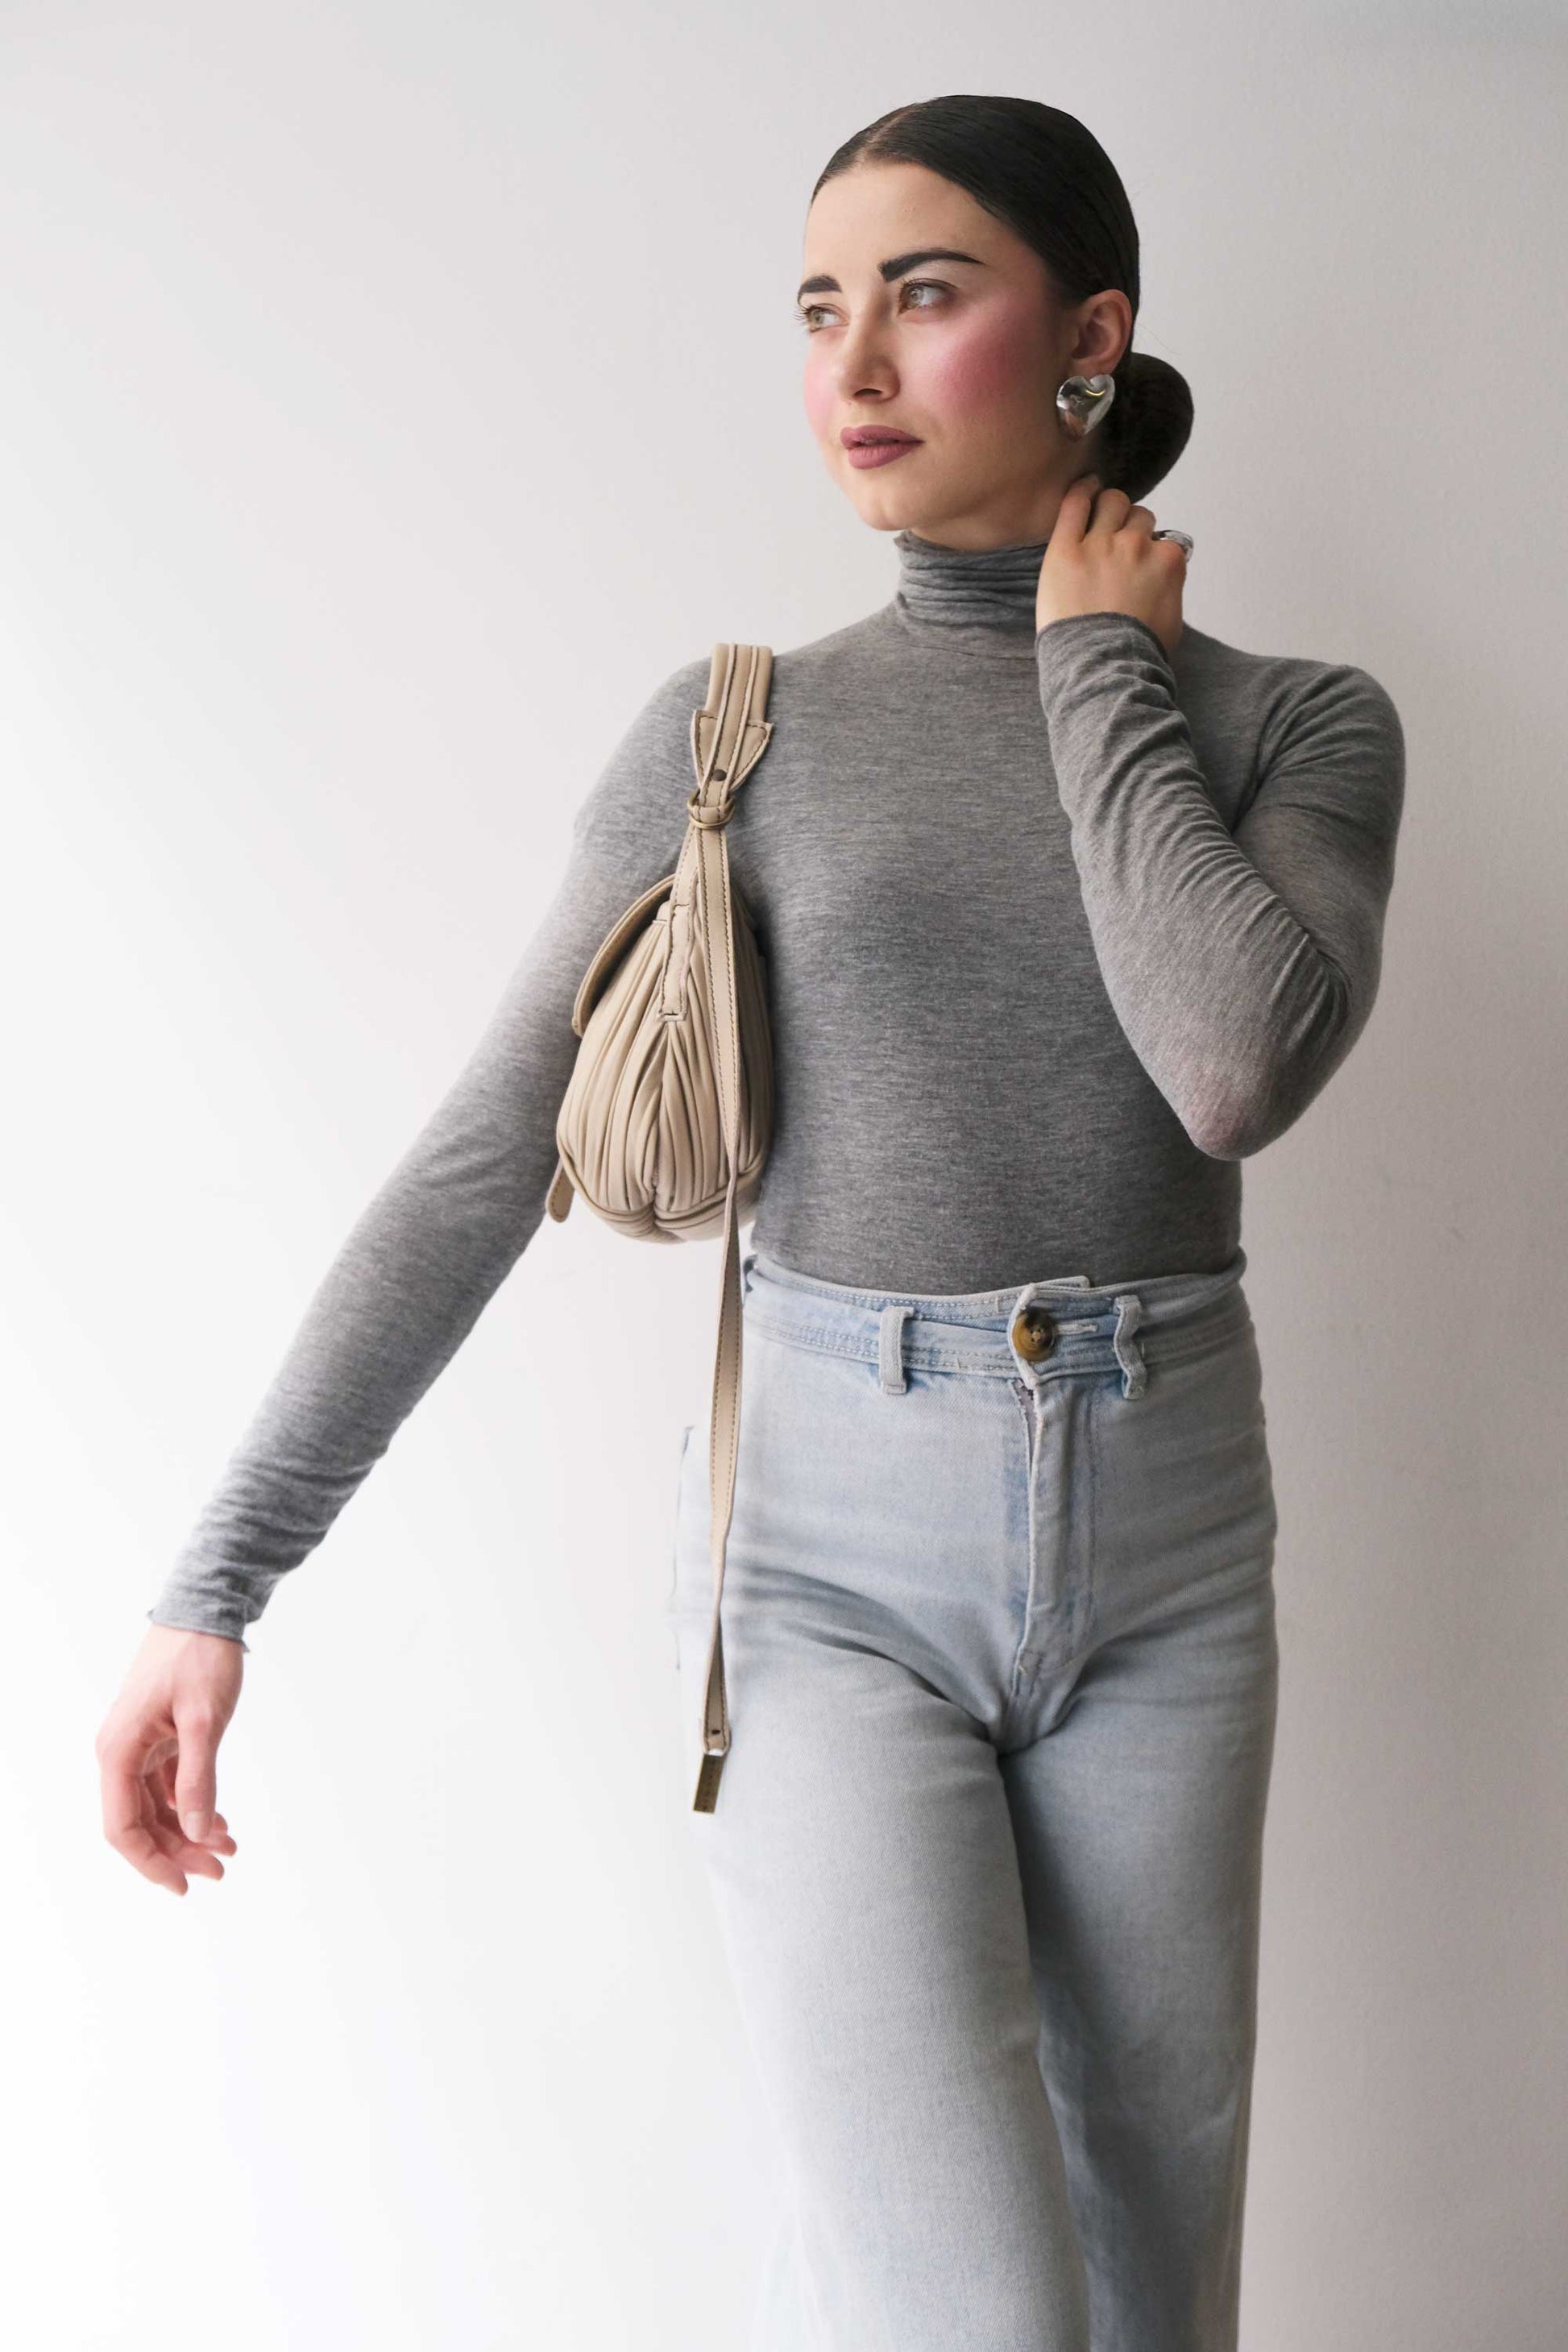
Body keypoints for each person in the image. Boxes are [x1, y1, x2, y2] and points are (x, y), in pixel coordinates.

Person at [96, 93, 1405, 2352]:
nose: (853, 367)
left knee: (1148, 2296)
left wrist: (1096, 665)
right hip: (824, 1581)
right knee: (969, 2308)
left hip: (1172, 1566)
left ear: (1089, 340)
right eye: (818, 310)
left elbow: (1231, 1067)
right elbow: (481, 1160)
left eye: (924, 294)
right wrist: (216, 1582)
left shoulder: (1294, 725)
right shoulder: (737, 735)